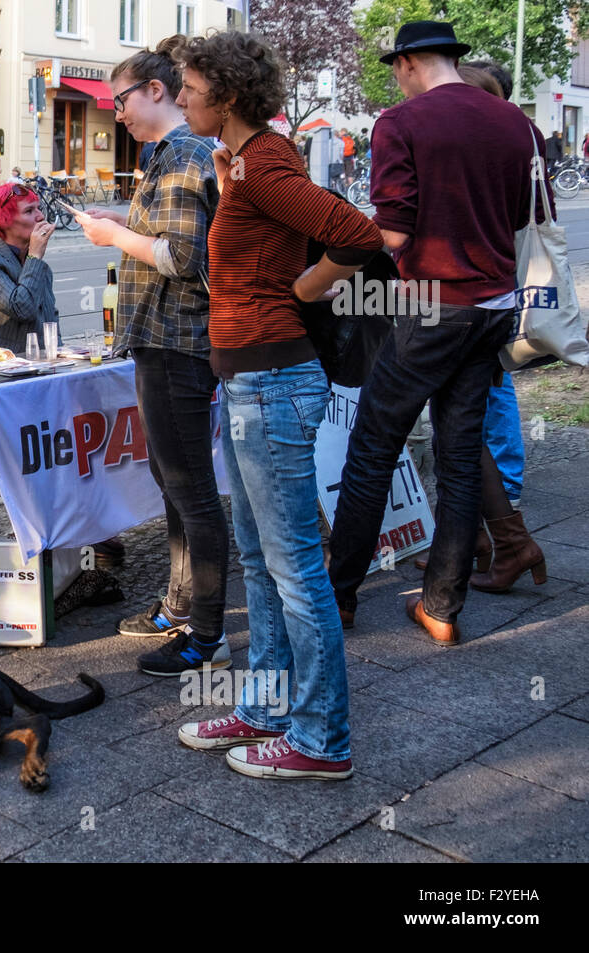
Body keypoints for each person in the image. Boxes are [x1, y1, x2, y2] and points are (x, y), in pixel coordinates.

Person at [172, 31, 383, 780]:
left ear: (226, 95)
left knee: (294, 568)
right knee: (261, 560)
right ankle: (265, 708)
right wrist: (234, 192)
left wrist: (301, 290)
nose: (181, 97)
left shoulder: (264, 164)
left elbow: (357, 234)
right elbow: (264, 243)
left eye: (190, 87)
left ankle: (322, 739)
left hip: (272, 380)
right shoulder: (255, 164)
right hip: (251, 382)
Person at [326, 20, 550, 646]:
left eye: (395, 68)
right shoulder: (516, 122)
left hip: (433, 304)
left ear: (408, 63)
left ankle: (338, 598)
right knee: (458, 454)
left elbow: (393, 233)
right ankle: (442, 607)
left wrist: (337, 256)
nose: (395, 79)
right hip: (496, 303)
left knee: (373, 448)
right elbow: (530, 215)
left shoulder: (401, 123)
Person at [76, 37, 229, 677]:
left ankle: (207, 636)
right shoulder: (169, 155)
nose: (117, 113)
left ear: (157, 92)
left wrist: (115, 235)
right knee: (175, 482)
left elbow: (183, 260)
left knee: (191, 489)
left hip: (178, 343)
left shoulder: (182, 153)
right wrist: (127, 229)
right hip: (166, 342)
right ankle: (181, 603)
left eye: (122, 99)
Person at [0, 182, 57, 360]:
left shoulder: (42, 269)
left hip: (36, 369)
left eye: (39, 208)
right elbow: (22, 309)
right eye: (29, 211)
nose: (40, 216)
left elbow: (51, 323)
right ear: (5, 220)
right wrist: (35, 256)